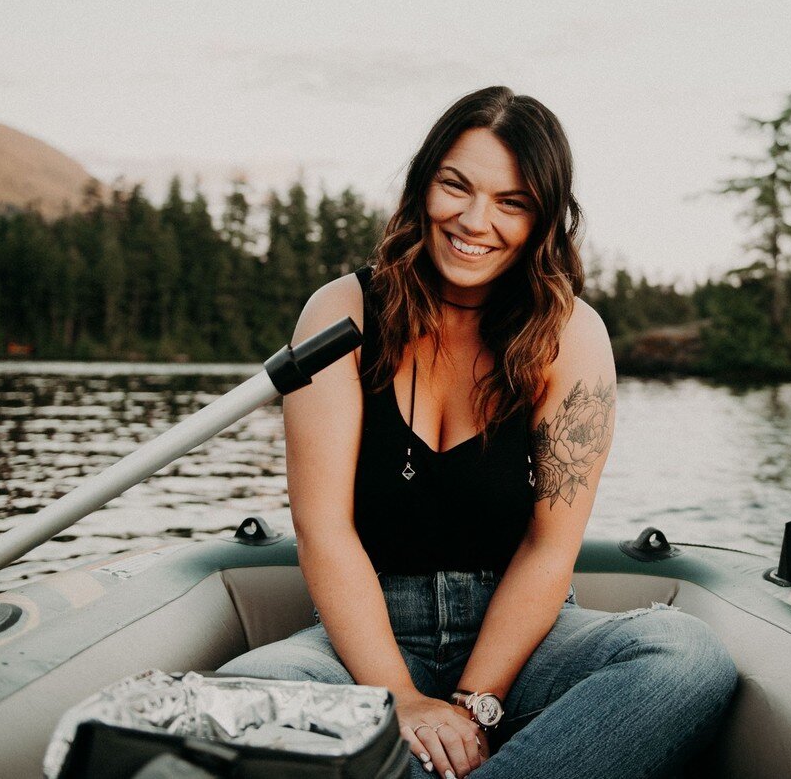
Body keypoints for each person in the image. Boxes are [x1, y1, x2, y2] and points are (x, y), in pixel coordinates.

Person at [220, 87, 736, 778]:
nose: (474, 220)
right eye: (454, 186)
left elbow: (550, 549)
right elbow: (324, 531)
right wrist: (400, 697)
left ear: (543, 219)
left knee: (686, 657)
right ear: (422, 185)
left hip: (526, 641)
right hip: (367, 643)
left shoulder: (570, 336)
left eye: (511, 202)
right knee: (244, 696)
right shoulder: (343, 313)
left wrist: (474, 702)